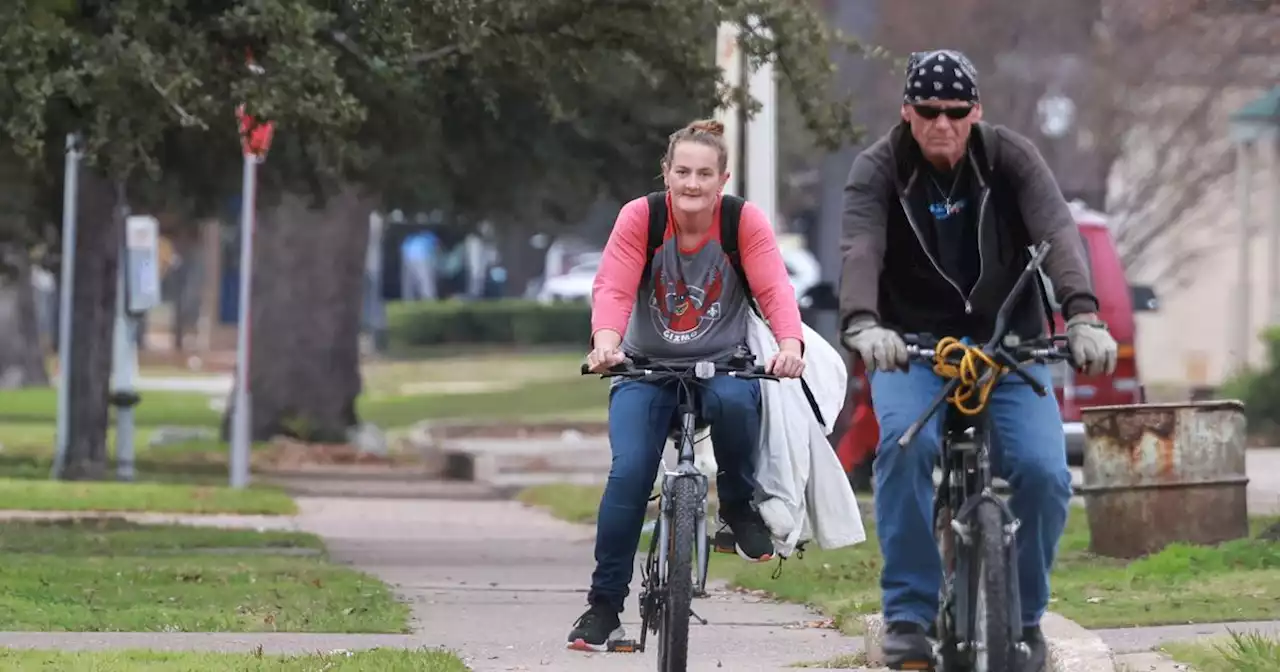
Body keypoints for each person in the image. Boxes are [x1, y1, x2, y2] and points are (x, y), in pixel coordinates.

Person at [837, 50, 1118, 671]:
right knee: (904, 452)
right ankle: (908, 615)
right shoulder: (878, 169)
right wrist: (863, 323)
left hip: (1007, 346)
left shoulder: (1010, 158)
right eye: (930, 111)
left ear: (976, 112)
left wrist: (1083, 314)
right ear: (907, 113)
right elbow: (860, 246)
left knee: (1046, 475)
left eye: (956, 112)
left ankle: (1023, 620)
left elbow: (1058, 231)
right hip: (911, 347)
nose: (943, 124)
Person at [567, 118, 808, 652]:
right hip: (646, 369)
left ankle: (739, 507)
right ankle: (603, 608)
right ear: (666, 173)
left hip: (722, 364)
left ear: (722, 180)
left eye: (704, 174)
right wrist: (607, 343)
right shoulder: (643, 218)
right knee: (629, 474)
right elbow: (613, 284)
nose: (692, 184)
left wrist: (790, 346)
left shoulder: (742, 222)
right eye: (682, 172)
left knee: (737, 405)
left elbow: (774, 288)